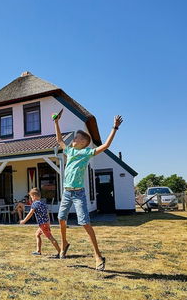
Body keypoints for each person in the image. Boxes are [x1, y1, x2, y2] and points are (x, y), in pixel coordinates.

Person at [54, 112, 123, 270]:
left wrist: (115, 127)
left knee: (85, 223)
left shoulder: (85, 153)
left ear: (83, 142)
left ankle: (97, 255)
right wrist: (56, 122)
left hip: (78, 193)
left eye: (76, 138)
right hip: (67, 192)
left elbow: (105, 146)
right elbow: (59, 140)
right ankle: (64, 243)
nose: (73, 139)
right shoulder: (69, 152)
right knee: (61, 218)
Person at [20, 188, 61, 257]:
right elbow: (47, 213)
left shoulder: (34, 204)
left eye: (31, 197)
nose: (31, 199)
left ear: (34, 196)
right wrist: (49, 222)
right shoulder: (43, 204)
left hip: (43, 224)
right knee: (37, 234)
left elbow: (30, 213)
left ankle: (60, 252)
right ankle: (38, 251)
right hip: (45, 223)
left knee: (50, 237)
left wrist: (24, 221)